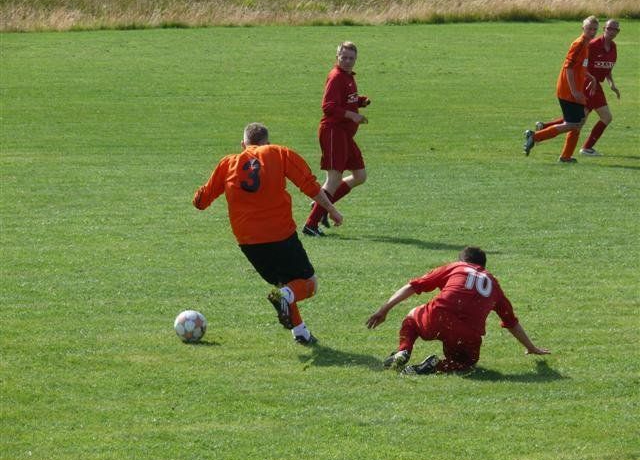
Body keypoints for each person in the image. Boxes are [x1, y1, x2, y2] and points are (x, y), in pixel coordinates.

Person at [193, 123, 343, 345]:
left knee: (285, 285)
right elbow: (308, 185)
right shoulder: (279, 153)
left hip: (248, 242)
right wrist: (332, 210)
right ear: (268, 143)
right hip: (280, 234)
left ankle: (300, 332)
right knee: (308, 284)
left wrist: (198, 197)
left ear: (243, 144)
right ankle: (287, 300)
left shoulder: (227, 163)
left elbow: (201, 201)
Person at [366, 247, 550, 375]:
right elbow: (511, 322)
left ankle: (403, 351)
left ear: (463, 261)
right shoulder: (494, 284)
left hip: (438, 317)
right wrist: (531, 347)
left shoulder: (457, 267)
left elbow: (414, 286)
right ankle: (435, 366)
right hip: (468, 333)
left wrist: (384, 309)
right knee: (465, 363)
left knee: (412, 317)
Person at [303, 41, 370, 237]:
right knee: (334, 179)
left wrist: (359, 101)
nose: (348, 61)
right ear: (337, 57)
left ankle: (322, 205)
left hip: (345, 135)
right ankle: (311, 225)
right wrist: (353, 115)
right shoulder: (336, 77)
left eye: (351, 58)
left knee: (360, 176)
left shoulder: (348, 77)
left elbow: (344, 100)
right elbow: (328, 107)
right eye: (344, 57)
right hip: (333, 132)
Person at [523, 16, 599, 163]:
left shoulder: (586, 44)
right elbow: (568, 68)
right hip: (568, 90)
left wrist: (591, 77)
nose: (592, 32)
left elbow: (580, 67)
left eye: (595, 29)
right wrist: (575, 91)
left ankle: (566, 156)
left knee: (578, 122)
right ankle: (535, 136)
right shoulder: (578, 44)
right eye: (589, 29)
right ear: (583, 28)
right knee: (574, 124)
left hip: (573, 89)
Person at [580, 19, 621, 156]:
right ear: (604, 29)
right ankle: (586, 148)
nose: (612, 31)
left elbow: (607, 68)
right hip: (587, 85)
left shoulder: (613, 47)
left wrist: (612, 84)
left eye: (615, 29)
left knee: (578, 120)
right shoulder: (593, 45)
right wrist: (590, 79)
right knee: (606, 117)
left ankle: (540, 131)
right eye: (609, 28)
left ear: (618, 32)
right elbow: (581, 66)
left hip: (596, 86)